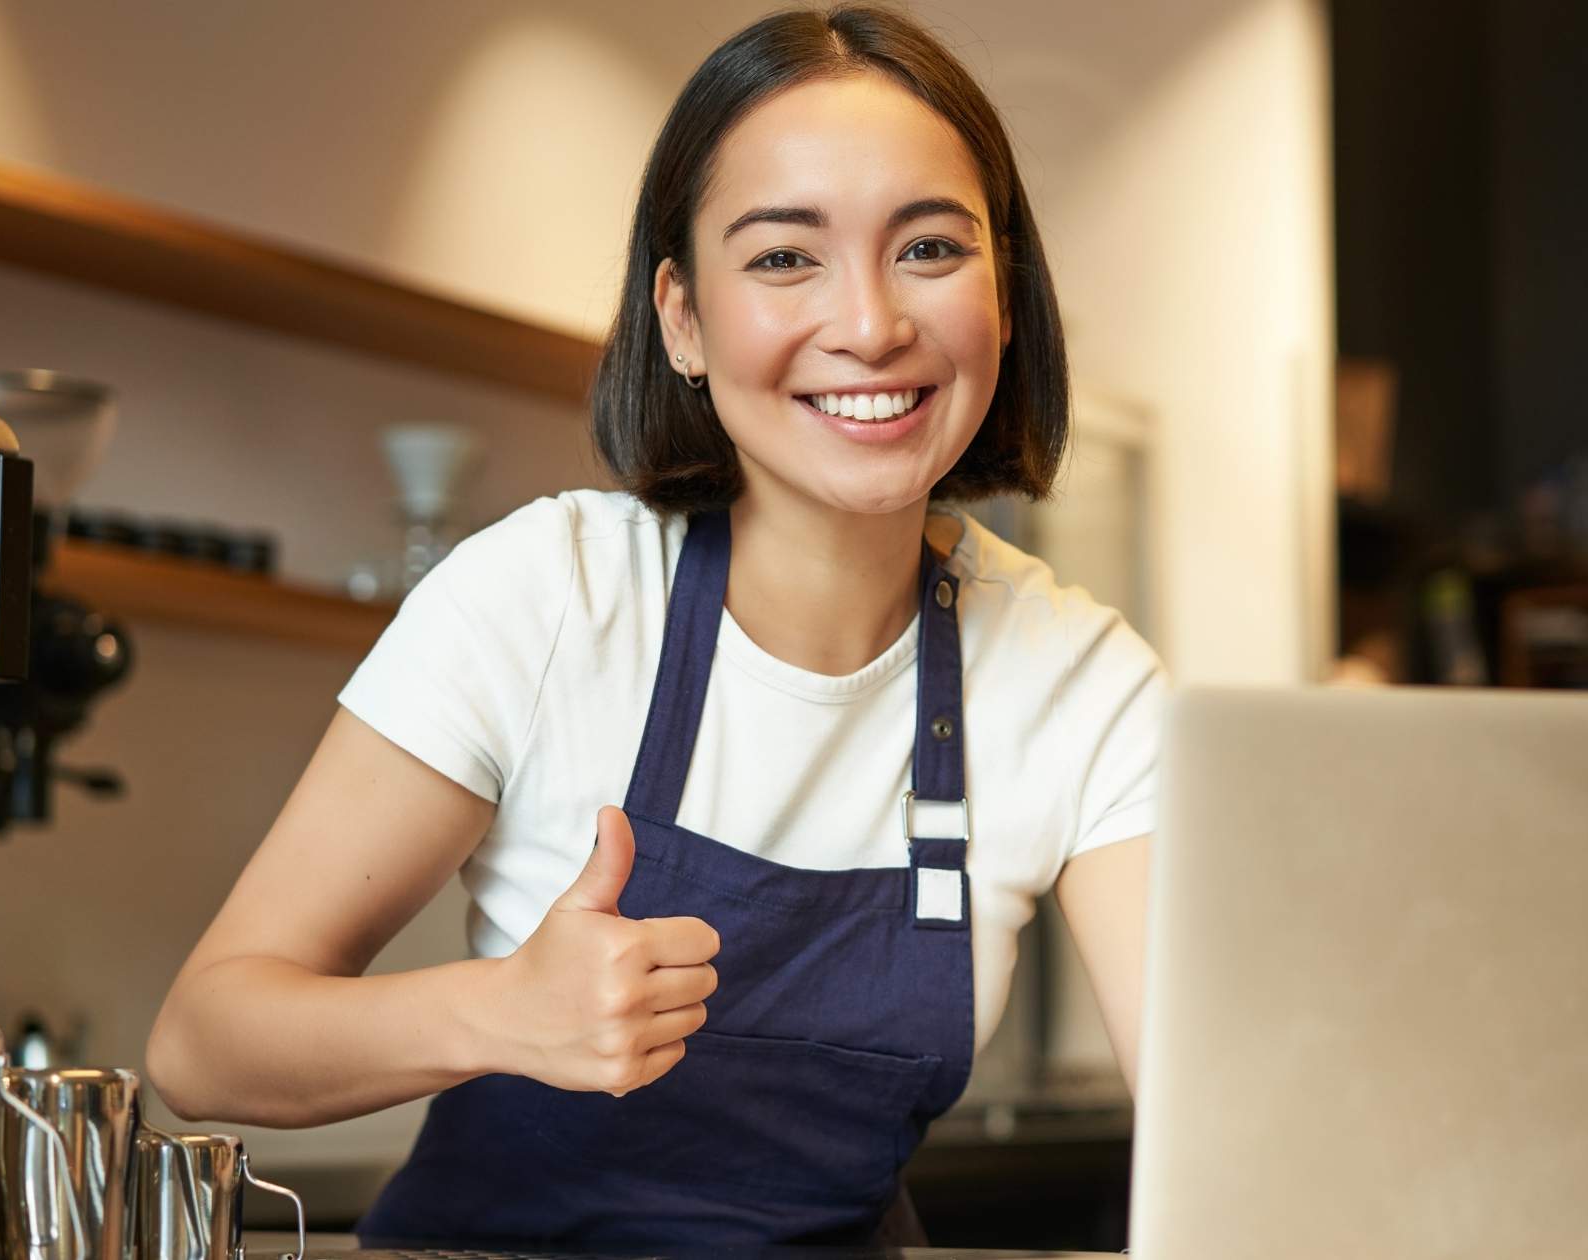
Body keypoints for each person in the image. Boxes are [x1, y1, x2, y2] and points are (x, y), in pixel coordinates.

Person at [146, 5, 1163, 1249]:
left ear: (1004, 295)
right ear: (681, 318)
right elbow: (204, 1041)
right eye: (785, 258)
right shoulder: (549, 593)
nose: (870, 324)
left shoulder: (1079, 680)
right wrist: (498, 1011)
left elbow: (1220, 1105)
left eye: (930, 249)